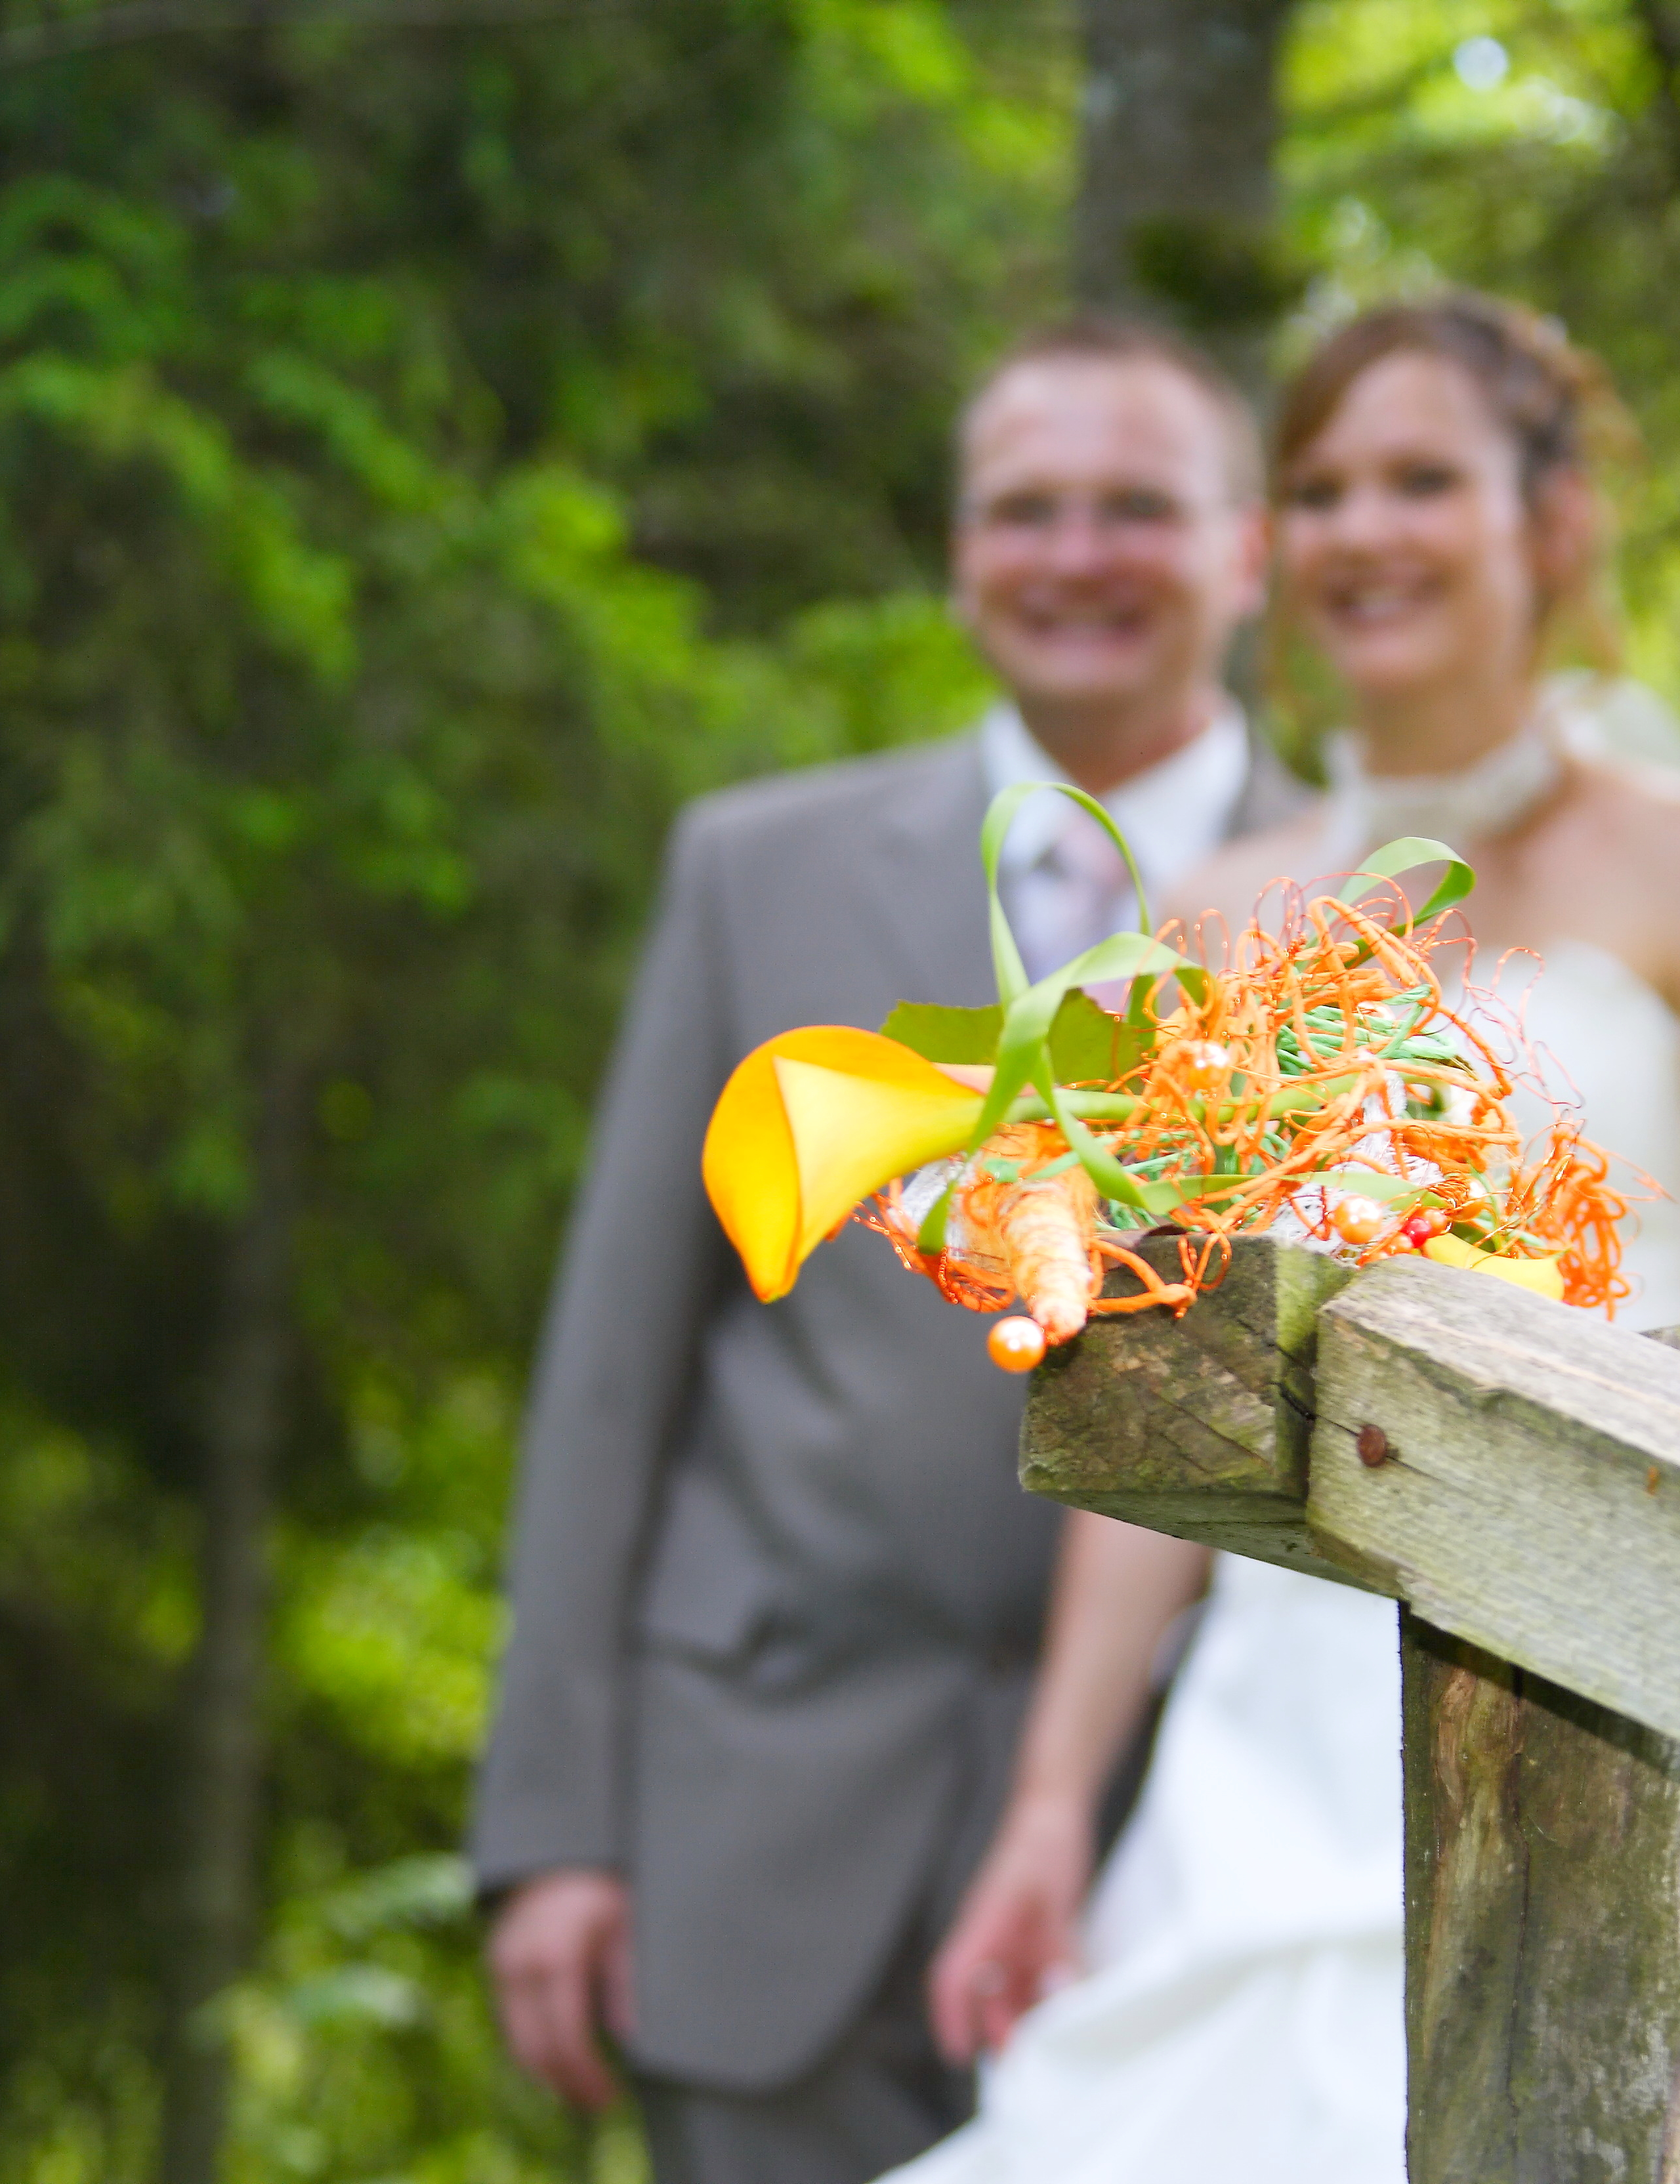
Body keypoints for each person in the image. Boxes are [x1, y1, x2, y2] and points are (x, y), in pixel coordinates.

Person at [885, 295, 1680, 2184]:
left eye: (1420, 478)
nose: (1363, 529)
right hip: (1288, 1723)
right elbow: (1152, 1366)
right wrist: (1052, 1806)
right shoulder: (1216, 927)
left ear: (1549, 525)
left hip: (1653, 1637)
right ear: (1271, 549)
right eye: (1318, 488)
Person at [467, 317, 1310, 2184]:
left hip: (1191, 1856)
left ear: (1247, 552)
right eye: (1025, 510)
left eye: (1135, 509)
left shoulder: (1351, 904)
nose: (1075, 555)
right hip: (755, 1826)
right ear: (957, 553)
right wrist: (554, 1831)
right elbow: (613, 1372)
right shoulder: (751, 874)